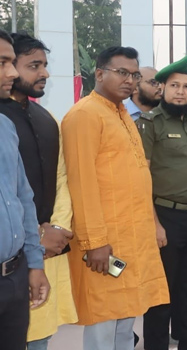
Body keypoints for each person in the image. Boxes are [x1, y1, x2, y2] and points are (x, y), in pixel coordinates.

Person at [61, 46, 169, 350]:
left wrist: (152, 226)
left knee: (126, 321)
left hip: (131, 240)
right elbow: (80, 183)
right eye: (122, 72)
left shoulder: (122, 114)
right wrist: (94, 242)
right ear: (99, 73)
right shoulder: (84, 115)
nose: (130, 80)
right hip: (104, 243)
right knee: (103, 323)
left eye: (134, 74)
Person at [0, 32, 77, 350]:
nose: (43, 73)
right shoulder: (5, 119)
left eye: (44, 65)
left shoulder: (47, 120)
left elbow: (59, 178)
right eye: (34, 65)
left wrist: (57, 227)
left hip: (40, 252)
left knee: (40, 334)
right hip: (26, 246)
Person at [137, 53, 187, 350]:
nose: (181, 92)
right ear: (163, 88)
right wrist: (154, 224)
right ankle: (155, 345)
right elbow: (141, 178)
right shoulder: (150, 124)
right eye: (175, 85)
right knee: (161, 290)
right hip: (164, 217)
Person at [0, 28, 50, 350]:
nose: (13, 72)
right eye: (3, 63)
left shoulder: (5, 127)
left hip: (14, 278)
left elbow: (23, 199)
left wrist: (34, 264)